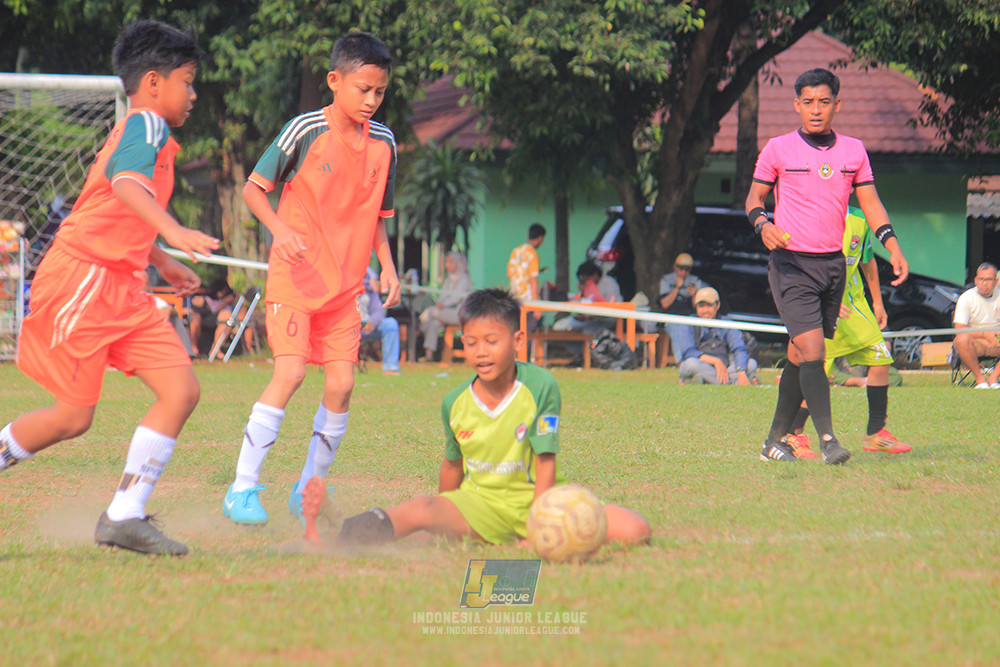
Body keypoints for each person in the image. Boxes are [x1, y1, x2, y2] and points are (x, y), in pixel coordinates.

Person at [0, 20, 219, 555]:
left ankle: (124, 514)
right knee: (73, 417)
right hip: (84, 280)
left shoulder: (156, 139)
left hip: (124, 287)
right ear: (152, 82)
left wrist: (161, 260)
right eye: (187, 82)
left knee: (182, 390)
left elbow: (119, 208)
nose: (193, 94)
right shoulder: (145, 125)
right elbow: (125, 186)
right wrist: (173, 229)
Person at [300, 288, 652, 548]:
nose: (480, 351)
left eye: (491, 341)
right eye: (471, 342)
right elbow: (452, 467)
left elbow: (546, 461)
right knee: (420, 509)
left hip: (538, 501)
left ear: (517, 340)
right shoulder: (454, 403)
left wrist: (539, 526)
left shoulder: (541, 387)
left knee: (636, 530)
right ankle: (332, 533)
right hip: (479, 504)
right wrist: (442, 519)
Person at [222, 31, 401, 525]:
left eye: (380, 92)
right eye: (362, 89)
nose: (371, 100)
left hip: (346, 290)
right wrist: (279, 230)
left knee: (342, 385)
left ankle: (307, 487)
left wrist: (386, 266)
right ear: (334, 81)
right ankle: (242, 488)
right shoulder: (303, 130)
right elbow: (255, 189)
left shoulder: (384, 144)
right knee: (292, 373)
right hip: (295, 282)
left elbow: (379, 215)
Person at [746, 67, 908, 465]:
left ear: (837, 104)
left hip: (834, 267)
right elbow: (754, 198)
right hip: (791, 265)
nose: (815, 110)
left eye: (823, 102)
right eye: (808, 102)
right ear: (796, 105)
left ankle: (773, 441)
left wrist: (893, 246)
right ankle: (827, 439)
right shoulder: (778, 149)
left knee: (800, 355)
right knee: (815, 349)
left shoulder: (853, 151)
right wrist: (762, 224)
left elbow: (870, 203)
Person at [784, 207, 912, 459]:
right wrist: (823, 298)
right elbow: (798, 266)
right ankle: (793, 434)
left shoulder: (860, 220)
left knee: (881, 359)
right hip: (821, 308)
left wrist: (877, 302)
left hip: (854, 306)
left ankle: (875, 433)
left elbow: (867, 260)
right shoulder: (810, 216)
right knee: (817, 374)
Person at [674, 287, 759, 385]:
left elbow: (739, 348)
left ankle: (704, 381)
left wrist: (741, 371)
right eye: (701, 306)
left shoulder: (726, 323)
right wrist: (716, 361)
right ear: (696, 307)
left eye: (709, 305)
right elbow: (688, 352)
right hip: (701, 365)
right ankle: (732, 383)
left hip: (726, 368)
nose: (705, 310)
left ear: (718, 305)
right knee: (690, 364)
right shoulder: (688, 323)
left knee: (751, 363)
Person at [953, 262, 1000, 388]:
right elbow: (960, 329)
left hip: (997, 341)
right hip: (975, 342)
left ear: (996, 282)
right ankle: (980, 379)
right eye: (981, 279)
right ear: (976, 280)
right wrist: (985, 334)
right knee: (961, 340)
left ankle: (994, 378)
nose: (985, 283)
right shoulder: (966, 298)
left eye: (989, 279)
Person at [418, 251, 472, 362]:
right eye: (447, 262)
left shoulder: (464, 279)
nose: (448, 265)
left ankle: (418, 329)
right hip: (446, 313)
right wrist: (440, 303)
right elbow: (443, 295)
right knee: (433, 323)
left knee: (431, 312)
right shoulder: (449, 279)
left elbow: (456, 298)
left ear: (458, 263)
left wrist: (442, 305)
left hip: (458, 314)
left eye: (451, 262)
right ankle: (429, 356)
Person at [552, 260, 616, 334]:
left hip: (605, 320)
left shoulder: (609, 283)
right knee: (559, 326)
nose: (586, 280)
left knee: (587, 331)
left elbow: (611, 308)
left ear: (595, 274)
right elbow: (582, 301)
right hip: (589, 319)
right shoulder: (588, 285)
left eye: (587, 278)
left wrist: (592, 316)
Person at [360, 267, 401, 375]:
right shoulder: (342, 289)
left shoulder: (370, 291)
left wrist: (372, 322)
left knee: (390, 324)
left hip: (368, 326)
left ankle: (390, 368)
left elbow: (379, 311)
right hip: (349, 327)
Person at [507, 223, 546, 331]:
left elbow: (509, 273)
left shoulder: (516, 251)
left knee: (515, 332)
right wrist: (536, 307)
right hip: (527, 302)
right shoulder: (532, 255)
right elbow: (533, 281)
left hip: (513, 299)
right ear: (540, 238)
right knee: (526, 335)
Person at [188, 278, 236, 356]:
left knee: (226, 317)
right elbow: (214, 310)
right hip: (207, 319)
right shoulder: (205, 299)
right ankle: (194, 348)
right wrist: (224, 302)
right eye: (222, 290)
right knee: (195, 319)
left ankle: (215, 349)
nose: (223, 293)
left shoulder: (229, 302)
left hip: (219, 319)